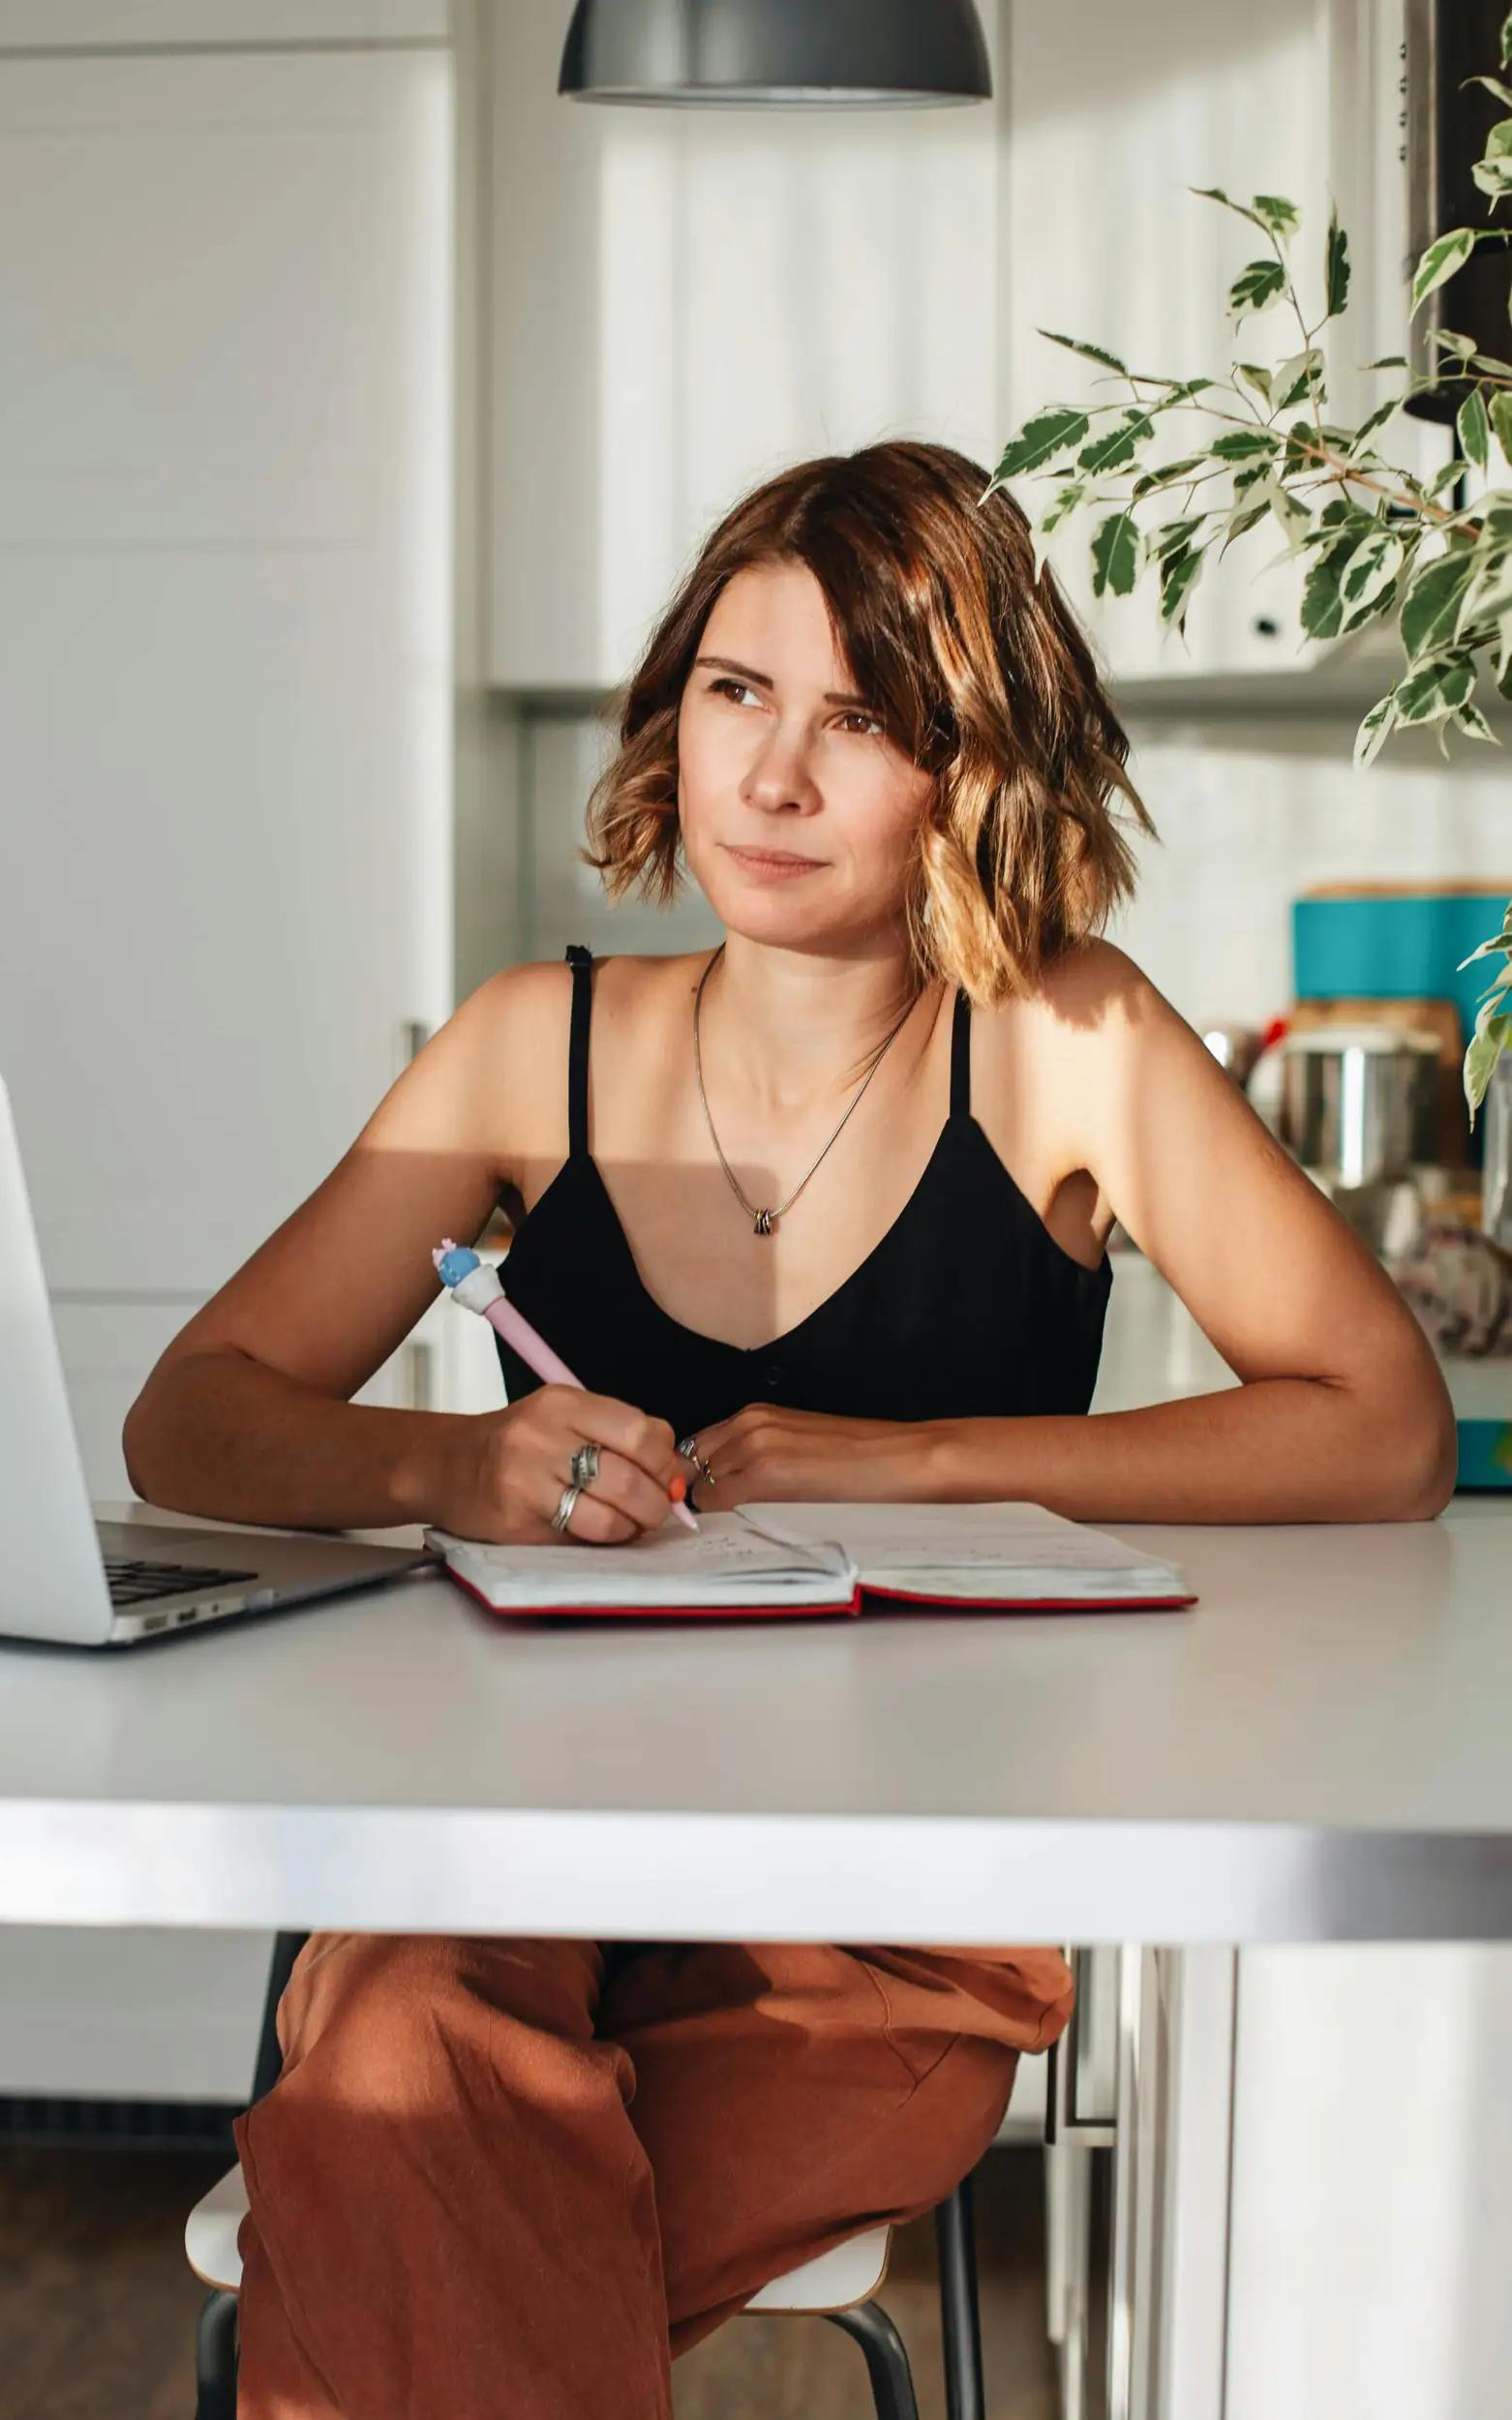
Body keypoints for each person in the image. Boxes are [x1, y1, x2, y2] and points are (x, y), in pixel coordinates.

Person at [123, 439, 1455, 2418]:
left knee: (390, 2178)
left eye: (857, 719)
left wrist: (913, 1456)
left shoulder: (1062, 1040)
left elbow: (1379, 1424)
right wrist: (449, 1462)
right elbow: (194, 1417)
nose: (767, 777)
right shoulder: (528, 1042)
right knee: (406, 2056)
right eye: (734, 693)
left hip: (892, 1917)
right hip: (512, 1847)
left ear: (968, 766)